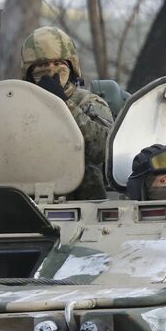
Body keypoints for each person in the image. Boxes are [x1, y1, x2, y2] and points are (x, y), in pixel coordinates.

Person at [21, 26, 115, 200]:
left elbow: (102, 150)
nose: (50, 69)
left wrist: (63, 104)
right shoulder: (18, 106)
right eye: (41, 65)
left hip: (82, 202)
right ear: (28, 72)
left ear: (71, 66)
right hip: (28, 196)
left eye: (57, 63)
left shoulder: (88, 102)